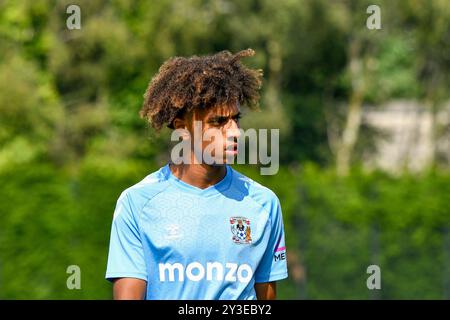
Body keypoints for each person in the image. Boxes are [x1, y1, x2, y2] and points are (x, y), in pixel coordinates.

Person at [105, 49, 288, 300]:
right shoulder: (137, 203)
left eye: (236, 119)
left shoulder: (264, 204)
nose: (235, 132)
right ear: (183, 128)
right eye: (218, 122)